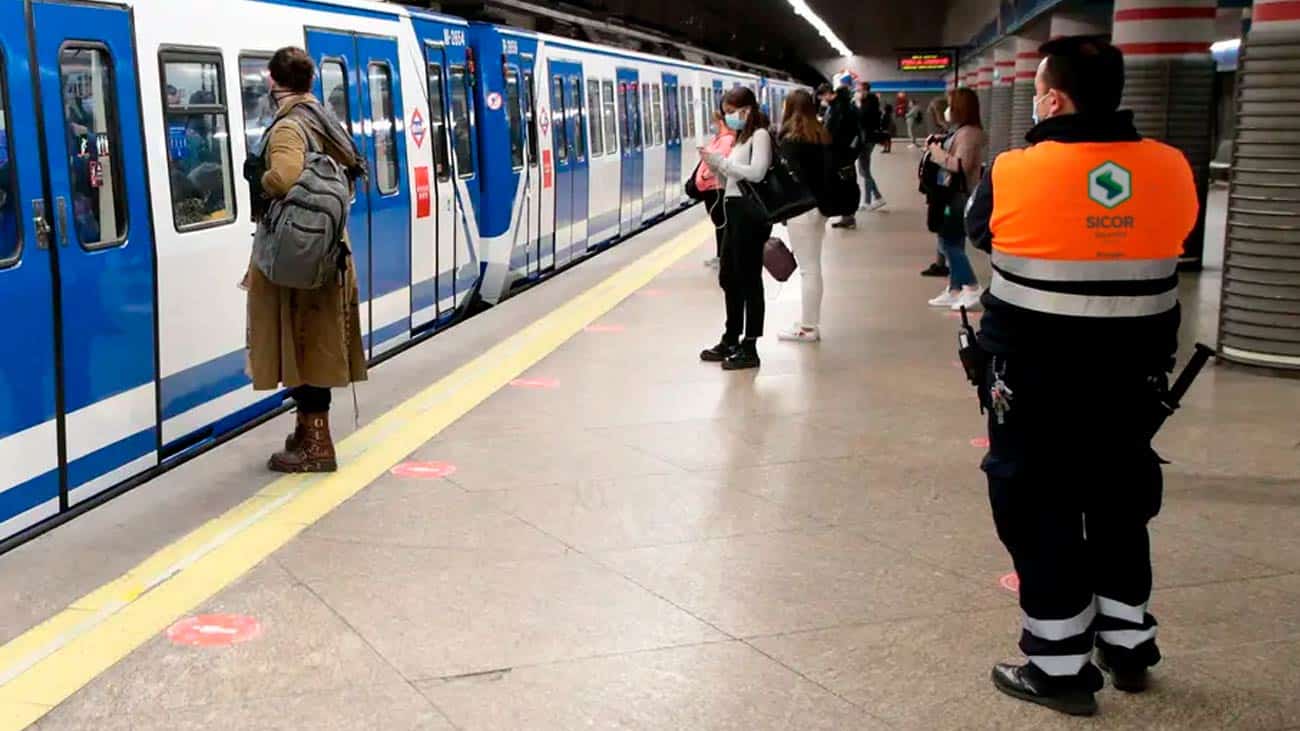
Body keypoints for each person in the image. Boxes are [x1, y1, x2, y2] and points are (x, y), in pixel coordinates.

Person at [964, 36, 1198, 717]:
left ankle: (1059, 664)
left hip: (1035, 382)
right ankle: (1127, 644)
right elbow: (1173, 237)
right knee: (1122, 499)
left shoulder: (1013, 171)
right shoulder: (1172, 168)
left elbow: (982, 233)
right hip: (1134, 381)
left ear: (1053, 98)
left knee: (1040, 508)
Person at [245, 47, 368, 473]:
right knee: (314, 341)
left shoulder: (288, 128)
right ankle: (305, 432)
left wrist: (258, 179)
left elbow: (283, 176)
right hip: (328, 251)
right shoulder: (323, 117)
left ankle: (317, 445)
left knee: (303, 343)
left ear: (272, 81)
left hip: (298, 256)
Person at [699, 86, 773, 371]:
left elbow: (757, 172)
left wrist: (724, 164)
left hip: (751, 215)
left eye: (732, 112)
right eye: (726, 112)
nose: (729, 117)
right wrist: (716, 168)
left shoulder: (760, 136)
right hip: (734, 210)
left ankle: (750, 344)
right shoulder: (742, 138)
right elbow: (736, 172)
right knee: (729, 276)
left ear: (747, 109)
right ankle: (731, 336)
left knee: (750, 278)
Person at [775, 90, 832, 343]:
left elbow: (787, 179)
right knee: (813, 266)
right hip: (818, 208)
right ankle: (809, 321)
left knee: (809, 269)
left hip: (799, 209)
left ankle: (809, 327)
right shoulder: (820, 134)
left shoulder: (790, 140)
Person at [925, 88, 985, 311]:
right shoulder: (961, 131)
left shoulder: (969, 133)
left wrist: (938, 154)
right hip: (949, 193)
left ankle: (971, 285)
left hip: (957, 195)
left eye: (951, 104)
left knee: (949, 242)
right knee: (950, 240)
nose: (948, 109)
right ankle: (954, 289)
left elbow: (961, 165)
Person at [817, 82, 860, 229]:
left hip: (839, 153)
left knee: (843, 184)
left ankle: (847, 215)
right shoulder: (847, 106)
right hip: (847, 152)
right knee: (847, 183)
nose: (822, 100)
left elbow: (832, 132)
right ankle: (847, 216)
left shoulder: (838, 109)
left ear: (828, 93)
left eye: (822, 97)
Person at [697, 108, 736, 269]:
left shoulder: (726, 140)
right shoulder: (720, 139)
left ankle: (723, 257)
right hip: (713, 188)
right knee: (720, 223)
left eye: (713, 122)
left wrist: (705, 176)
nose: (712, 125)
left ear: (720, 122)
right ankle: (722, 256)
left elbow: (720, 161)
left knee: (722, 224)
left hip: (716, 188)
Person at [853, 84, 886, 214]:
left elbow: (862, 119)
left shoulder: (869, 105)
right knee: (863, 170)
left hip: (866, 140)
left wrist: (857, 104)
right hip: (867, 139)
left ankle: (872, 199)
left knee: (864, 170)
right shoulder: (870, 102)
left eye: (859, 90)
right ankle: (874, 198)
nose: (857, 92)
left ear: (865, 91)